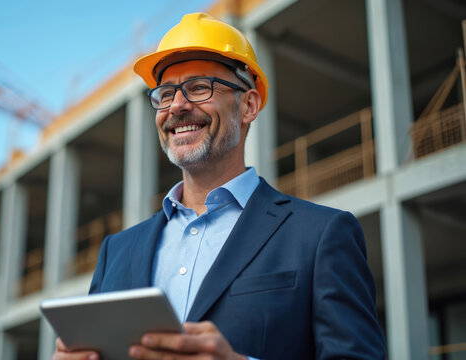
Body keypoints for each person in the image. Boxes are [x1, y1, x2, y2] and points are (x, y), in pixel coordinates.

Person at [53, 12, 385, 360]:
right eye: (165, 94)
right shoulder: (115, 252)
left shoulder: (321, 235)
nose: (177, 105)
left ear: (249, 105)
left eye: (199, 87)